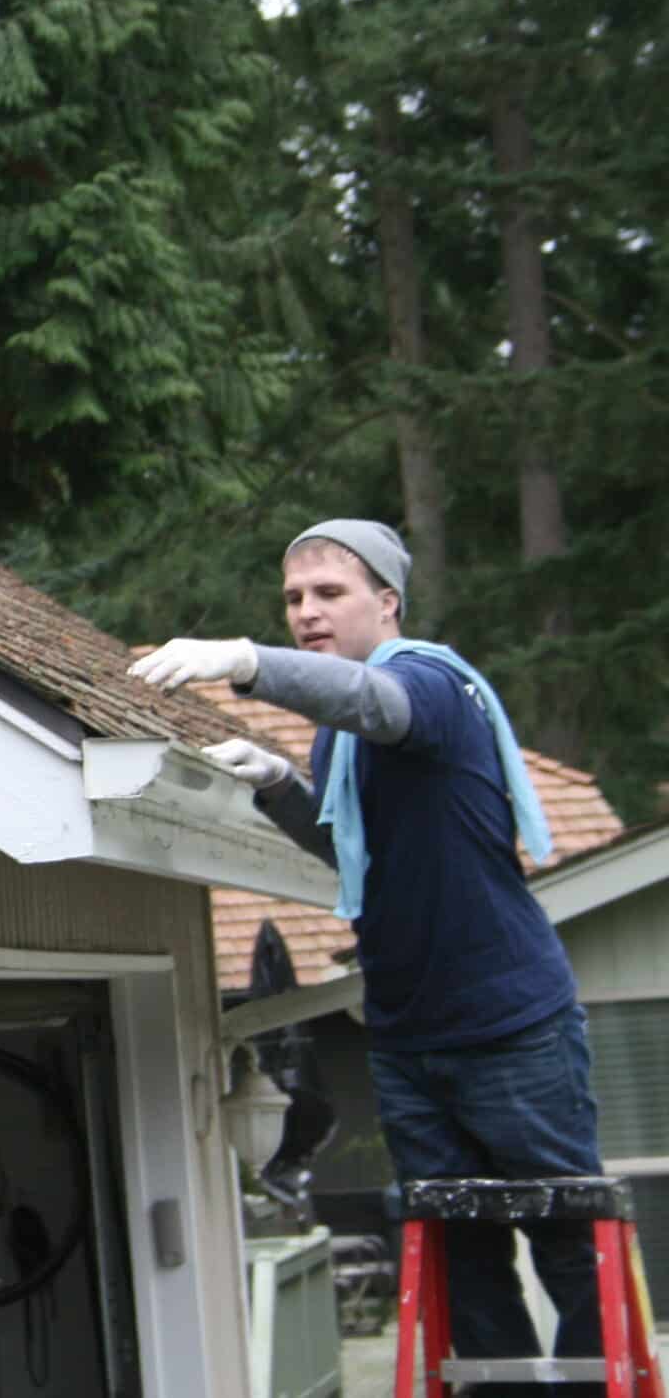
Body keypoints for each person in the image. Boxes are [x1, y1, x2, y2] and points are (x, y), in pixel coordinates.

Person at [132, 520, 599, 1396]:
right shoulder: (339, 738)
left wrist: (244, 659)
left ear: (387, 602)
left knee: (567, 1232)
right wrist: (278, 783)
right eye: (293, 598)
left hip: (512, 1025)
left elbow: (372, 700)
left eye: (329, 592)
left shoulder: (429, 683)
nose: (306, 611)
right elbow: (351, 856)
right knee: (462, 1248)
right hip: (409, 1036)